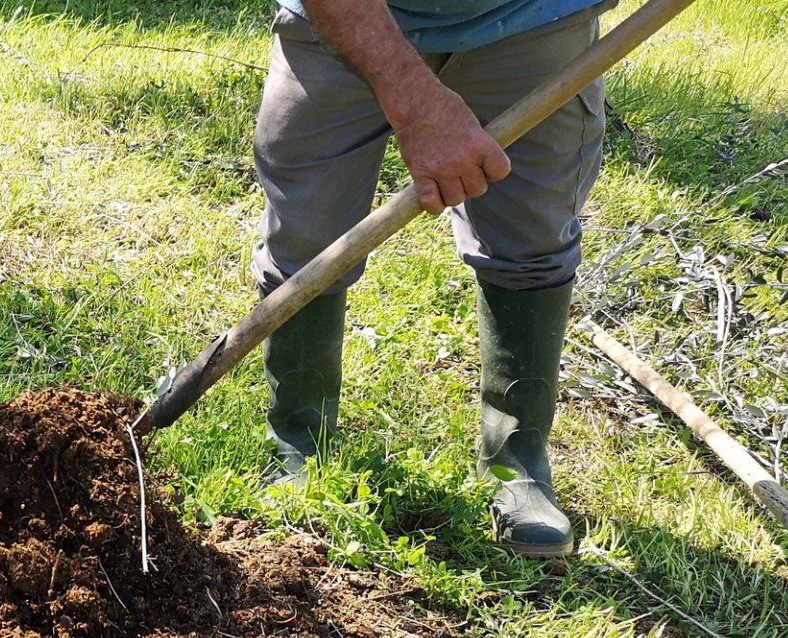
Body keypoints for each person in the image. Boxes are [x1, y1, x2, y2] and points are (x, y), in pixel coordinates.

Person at [255, 0, 613, 557]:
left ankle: (516, 462)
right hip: (342, 18)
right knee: (307, 238)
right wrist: (416, 104)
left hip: (534, 18)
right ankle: (298, 441)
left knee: (531, 237)